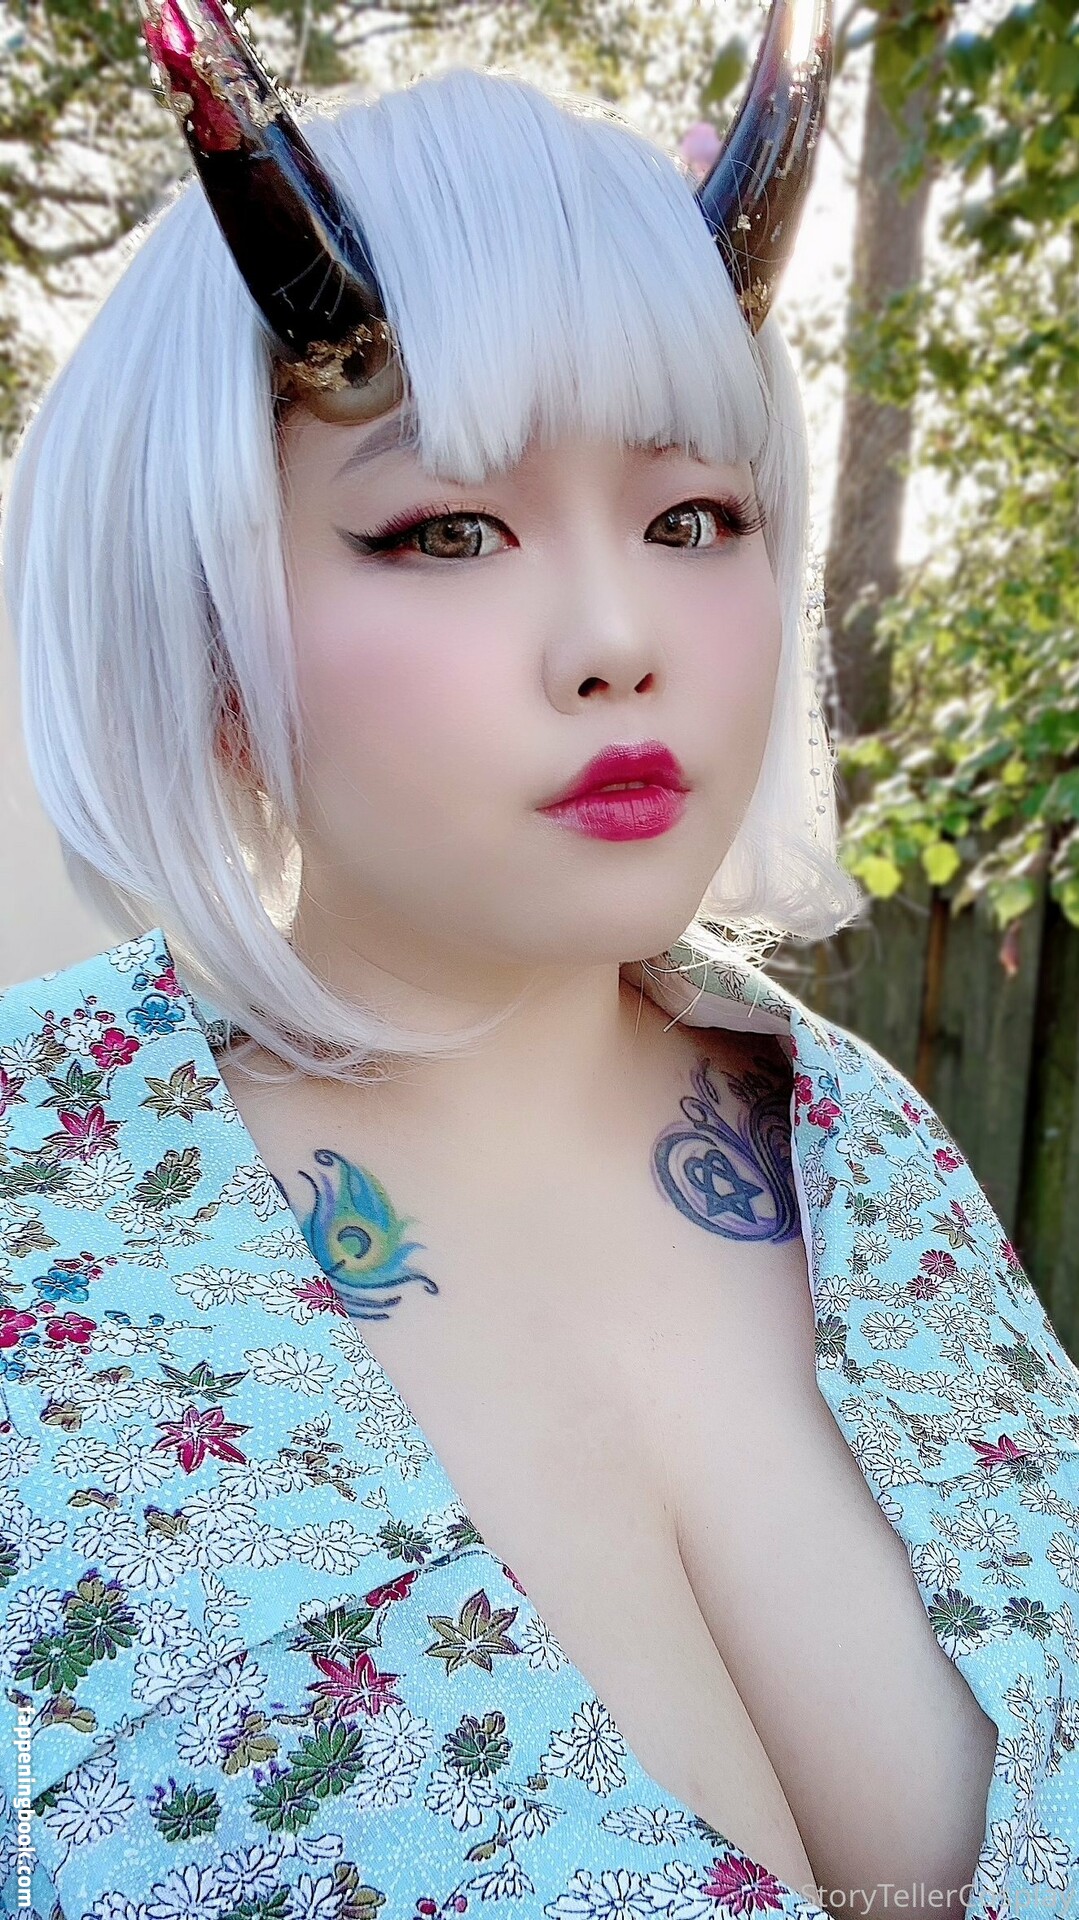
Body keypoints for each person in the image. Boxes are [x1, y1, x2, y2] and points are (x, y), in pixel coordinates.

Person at [1, 0, 1077, 1914]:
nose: (614, 635)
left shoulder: (873, 1159)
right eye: (444, 531)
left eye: (694, 515)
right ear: (206, 613)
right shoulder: (36, 1208)